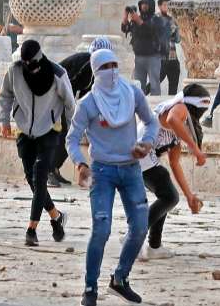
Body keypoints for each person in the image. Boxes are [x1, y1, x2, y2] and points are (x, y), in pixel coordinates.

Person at [66, 49, 159, 306]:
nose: (112, 70)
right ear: (96, 71)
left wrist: (147, 142)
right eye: (106, 66)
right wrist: (80, 163)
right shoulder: (88, 103)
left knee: (140, 226)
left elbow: (152, 123)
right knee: (101, 230)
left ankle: (120, 278)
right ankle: (90, 287)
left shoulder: (132, 93)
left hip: (131, 169)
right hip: (102, 172)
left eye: (115, 64)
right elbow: (72, 138)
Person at [0, 40, 75, 246]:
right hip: (25, 130)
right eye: (25, 63)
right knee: (31, 179)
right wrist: (4, 120)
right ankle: (56, 216)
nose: (29, 67)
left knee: (40, 176)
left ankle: (31, 229)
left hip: (50, 130)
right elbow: (5, 95)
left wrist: (71, 132)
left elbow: (70, 104)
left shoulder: (57, 74)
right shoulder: (15, 71)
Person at [138, 84, 209, 260]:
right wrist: (195, 150)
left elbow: (175, 163)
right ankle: (135, 235)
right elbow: (172, 120)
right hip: (139, 153)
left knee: (167, 196)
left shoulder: (178, 132)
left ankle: (154, 246)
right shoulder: (179, 107)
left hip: (144, 159)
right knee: (169, 195)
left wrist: (189, 196)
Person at [48, 37, 114, 187]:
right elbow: (66, 85)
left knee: (72, 135)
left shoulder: (96, 71)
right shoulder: (86, 62)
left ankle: (54, 168)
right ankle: (47, 171)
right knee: (66, 133)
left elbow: (87, 93)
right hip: (53, 96)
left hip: (64, 99)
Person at [121, 0, 162, 96]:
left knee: (154, 84)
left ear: (151, 6)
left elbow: (150, 30)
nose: (143, 6)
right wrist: (125, 16)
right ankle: (140, 106)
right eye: (142, 4)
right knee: (139, 85)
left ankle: (156, 106)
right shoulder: (137, 19)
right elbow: (125, 29)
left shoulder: (156, 19)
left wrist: (138, 20)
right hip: (139, 57)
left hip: (153, 57)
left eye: (146, 4)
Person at [156, 0, 181, 95]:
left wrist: (177, 28)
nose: (167, 7)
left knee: (173, 88)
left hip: (173, 57)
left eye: (168, 5)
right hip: (161, 58)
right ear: (159, 6)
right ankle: (140, 95)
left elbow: (178, 40)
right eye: (165, 5)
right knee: (155, 83)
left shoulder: (172, 20)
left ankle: (171, 108)